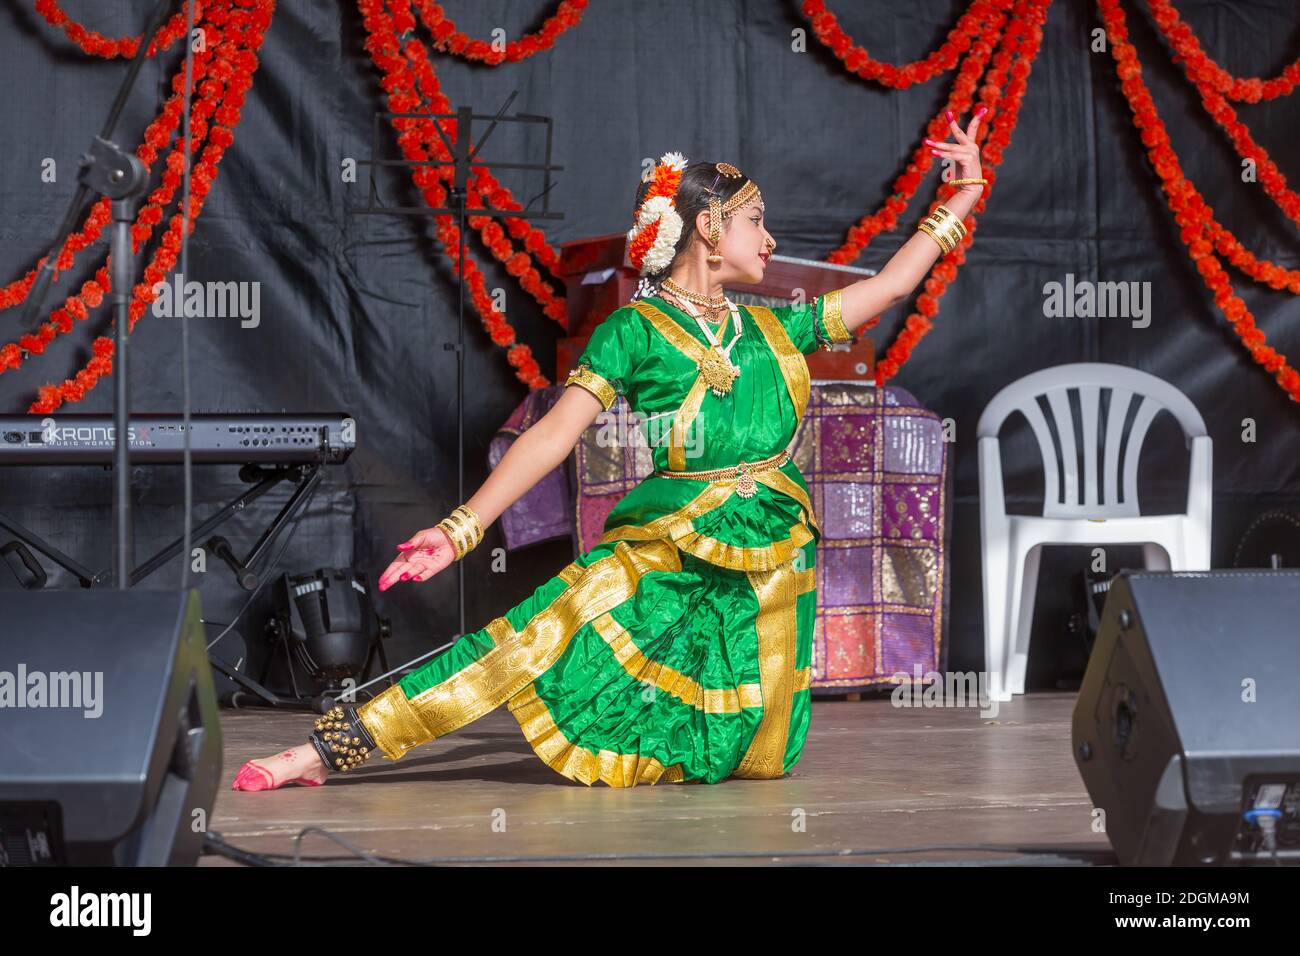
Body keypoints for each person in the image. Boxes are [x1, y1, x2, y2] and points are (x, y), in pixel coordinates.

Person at [232, 109, 988, 790]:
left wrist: (964, 191)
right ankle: (332, 747)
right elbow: (554, 434)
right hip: (674, 542)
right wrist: (459, 529)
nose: (773, 239)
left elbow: (888, 287)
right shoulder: (632, 332)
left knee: (755, 758)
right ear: (710, 229)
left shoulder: (773, 329)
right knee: (530, 635)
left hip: (775, 560)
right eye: (758, 220)